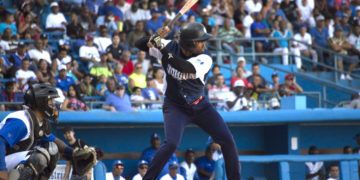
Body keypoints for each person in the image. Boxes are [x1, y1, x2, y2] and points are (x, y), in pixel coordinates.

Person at [135, 22, 240, 179]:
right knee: (171, 144)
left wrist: (162, 48)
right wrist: (155, 36)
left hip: (200, 106)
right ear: (191, 44)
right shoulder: (170, 45)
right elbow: (139, 44)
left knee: (227, 140)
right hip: (175, 106)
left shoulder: (205, 57)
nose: (204, 44)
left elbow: (182, 67)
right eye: (201, 41)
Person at [0, 83, 95, 179]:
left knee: (52, 149)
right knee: (39, 157)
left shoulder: (39, 122)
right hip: (2, 162)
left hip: (8, 159)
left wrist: (73, 153)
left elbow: (54, 141)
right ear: (41, 102)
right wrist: (2, 171)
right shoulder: (22, 121)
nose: (54, 105)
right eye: (51, 101)